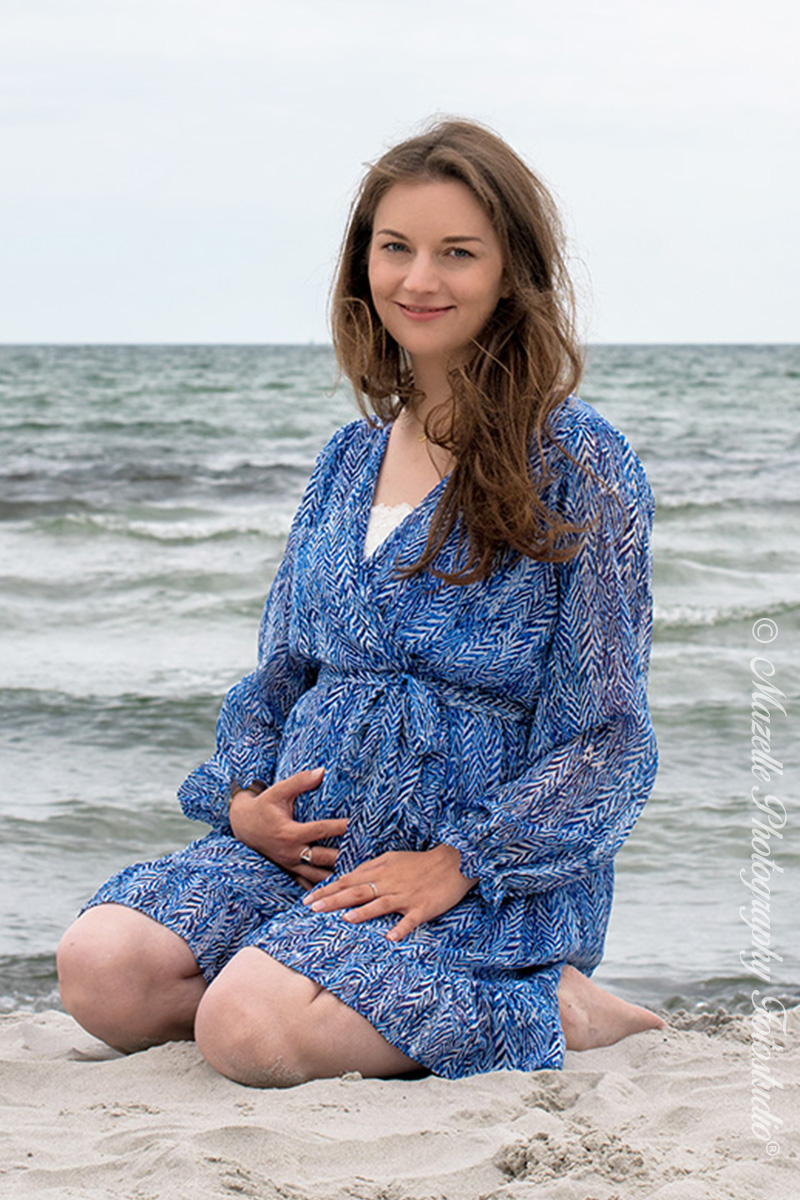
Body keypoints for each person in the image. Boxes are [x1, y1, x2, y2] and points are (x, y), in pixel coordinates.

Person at [57, 118, 663, 1086]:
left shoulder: (579, 464)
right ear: (362, 265)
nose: (418, 279)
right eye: (395, 249)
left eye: (455, 252)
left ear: (510, 273)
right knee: (100, 971)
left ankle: (543, 1002)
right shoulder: (346, 462)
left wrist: (460, 860)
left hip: (459, 882)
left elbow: (607, 740)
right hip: (301, 862)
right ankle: (303, 974)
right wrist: (244, 801)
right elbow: (281, 672)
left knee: (243, 1031)